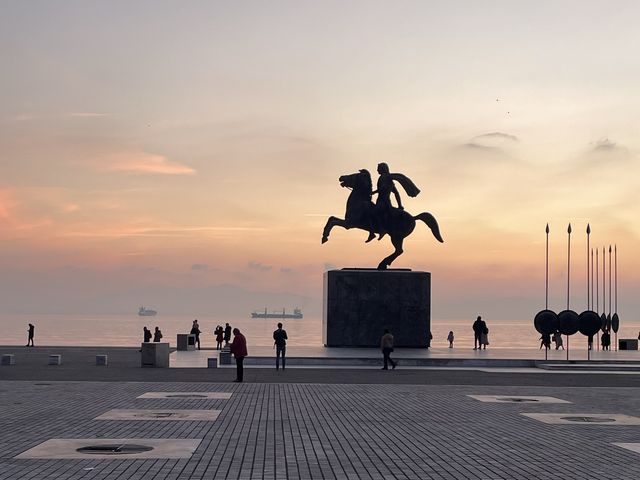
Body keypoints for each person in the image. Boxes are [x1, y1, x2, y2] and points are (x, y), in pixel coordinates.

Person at [367, 162, 420, 242]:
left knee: (371, 213)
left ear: (382, 169)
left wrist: (373, 192)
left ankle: (377, 232)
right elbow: (396, 193)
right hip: (384, 202)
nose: (377, 170)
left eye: (378, 168)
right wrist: (400, 205)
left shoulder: (383, 177)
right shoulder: (388, 179)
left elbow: (383, 189)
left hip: (383, 202)